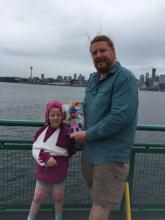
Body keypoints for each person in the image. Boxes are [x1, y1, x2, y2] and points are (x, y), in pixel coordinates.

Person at [70, 35, 139, 220]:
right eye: (94, 53)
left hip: (110, 157)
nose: (98, 55)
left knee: (101, 205)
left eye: (103, 51)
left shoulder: (124, 78)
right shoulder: (92, 79)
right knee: (98, 200)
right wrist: (78, 107)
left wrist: (87, 135)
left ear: (113, 51)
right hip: (90, 154)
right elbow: (93, 108)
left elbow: (119, 117)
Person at [27, 100, 76, 220]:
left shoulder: (66, 131)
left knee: (58, 198)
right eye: (52, 115)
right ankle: (30, 218)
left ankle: (58, 217)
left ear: (63, 116)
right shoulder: (41, 131)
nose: (55, 118)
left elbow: (75, 140)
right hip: (44, 170)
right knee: (37, 198)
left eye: (59, 115)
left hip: (59, 171)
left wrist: (73, 111)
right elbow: (36, 148)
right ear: (47, 116)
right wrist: (46, 157)